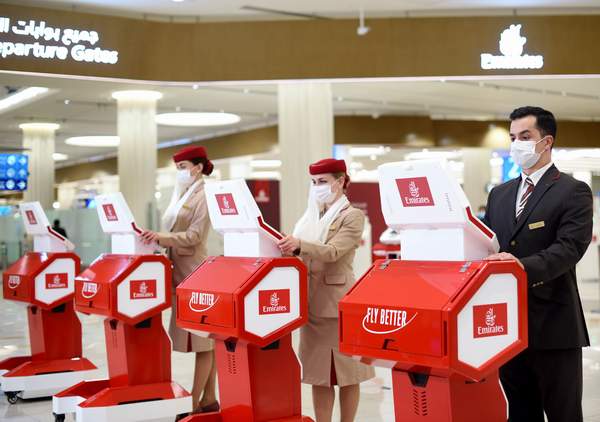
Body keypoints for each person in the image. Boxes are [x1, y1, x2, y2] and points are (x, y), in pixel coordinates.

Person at [483, 106, 593, 422]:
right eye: (512, 137)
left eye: (525, 136)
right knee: (520, 412)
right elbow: (488, 244)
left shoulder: (572, 191)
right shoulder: (500, 194)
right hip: (507, 326)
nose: (516, 144)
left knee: (563, 413)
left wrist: (519, 266)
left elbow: (569, 248)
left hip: (554, 325)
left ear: (546, 141)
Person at [278, 158, 374, 422]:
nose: (317, 187)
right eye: (313, 182)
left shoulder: (352, 216)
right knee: (319, 375)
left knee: (348, 373)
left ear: (340, 181)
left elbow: (333, 252)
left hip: (335, 305)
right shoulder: (312, 215)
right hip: (310, 304)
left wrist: (299, 245)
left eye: (323, 181)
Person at [141, 145, 218, 415]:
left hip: (195, 273)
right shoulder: (183, 193)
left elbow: (196, 235)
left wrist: (162, 238)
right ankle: (208, 398)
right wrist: (158, 240)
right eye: (178, 168)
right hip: (180, 272)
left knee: (203, 341)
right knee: (203, 342)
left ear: (198, 167)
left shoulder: (205, 195)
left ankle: (194, 402)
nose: (180, 172)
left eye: (183, 167)